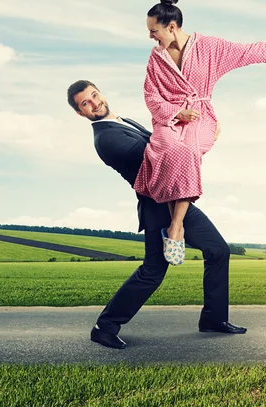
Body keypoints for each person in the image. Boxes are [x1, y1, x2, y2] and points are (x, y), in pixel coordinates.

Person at [67, 79, 247, 349]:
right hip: (158, 206)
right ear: (80, 113)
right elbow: (165, 158)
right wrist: (199, 137)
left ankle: (214, 319)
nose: (94, 103)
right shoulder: (108, 138)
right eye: (85, 103)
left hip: (177, 199)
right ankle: (104, 327)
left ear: (100, 91)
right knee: (153, 271)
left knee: (218, 250)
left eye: (94, 95)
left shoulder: (122, 121)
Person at [134, 0, 266, 251]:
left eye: (153, 31)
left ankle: (176, 225)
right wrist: (177, 113)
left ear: (171, 27)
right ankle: (173, 220)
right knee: (165, 149)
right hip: (169, 119)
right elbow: (151, 96)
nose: (150, 37)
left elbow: (246, 52)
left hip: (200, 116)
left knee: (187, 151)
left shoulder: (209, 48)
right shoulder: (156, 59)